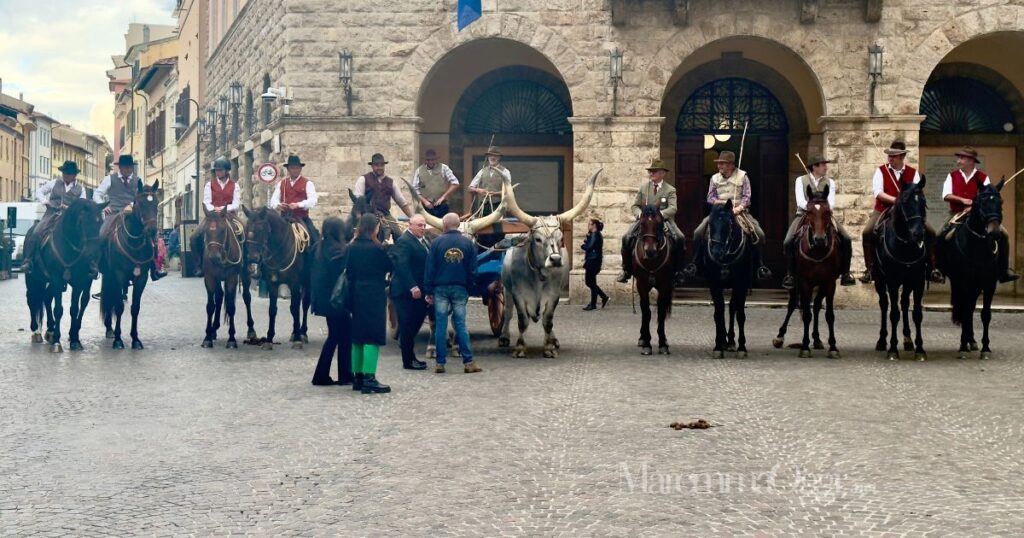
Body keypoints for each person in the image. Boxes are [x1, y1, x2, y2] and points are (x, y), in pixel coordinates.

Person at [859, 141, 942, 284]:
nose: (890, 159)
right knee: (867, 232)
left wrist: (906, 203)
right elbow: (878, 193)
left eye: (894, 156)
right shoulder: (881, 171)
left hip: (908, 212)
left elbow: (917, 192)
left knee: (931, 232)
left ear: (902, 156)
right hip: (884, 208)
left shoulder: (913, 173)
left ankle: (932, 268)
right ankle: (870, 269)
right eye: (889, 156)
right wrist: (896, 201)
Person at [685, 151, 772, 281]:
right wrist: (721, 204)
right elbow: (710, 197)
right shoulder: (714, 178)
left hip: (740, 212)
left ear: (731, 165)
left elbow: (747, 197)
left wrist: (739, 208)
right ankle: (695, 263)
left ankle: (760, 265)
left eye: (723, 164)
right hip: (719, 212)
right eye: (719, 163)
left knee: (760, 234)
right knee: (698, 232)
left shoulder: (742, 176)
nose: (719, 166)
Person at [940, 146, 1018, 283]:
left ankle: (1003, 270)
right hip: (956, 213)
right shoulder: (952, 175)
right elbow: (946, 195)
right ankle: (938, 269)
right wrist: (963, 200)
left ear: (971, 161)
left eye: (962, 158)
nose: (958, 161)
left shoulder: (983, 177)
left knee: (1004, 234)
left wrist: (974, 207)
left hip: (979, 216)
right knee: (940, 234)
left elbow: (988, 196)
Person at [781, 156, 856, 289]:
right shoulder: (801, 180)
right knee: (788, 241)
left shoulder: (830, 182)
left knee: (846, 238)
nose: (826, 167)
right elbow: (800, 201)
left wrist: (821, 209)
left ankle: (846, 273)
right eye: (823, 165)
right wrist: (812, 208)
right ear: (814, 167)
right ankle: (790, 275)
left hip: (824, 215)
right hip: (805, 214)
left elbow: (831, 203)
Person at [424, 212, 482, 374]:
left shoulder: (436, 243)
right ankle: (468, 362)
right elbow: (473, 270)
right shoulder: (468, 243)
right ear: (458, 225)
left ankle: (440, 363)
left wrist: (428, 290)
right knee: (461, 325)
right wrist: (470, 288)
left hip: (440, 289)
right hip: (460, 288)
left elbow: (430, 269)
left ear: (444, 224)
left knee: (440, 326)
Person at [94, 154, 166, 281]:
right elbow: (97, 194)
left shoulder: (138, 181)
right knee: (101, 232)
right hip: (114, 212)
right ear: (120, 167)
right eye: (126, 167)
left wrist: (132, 205)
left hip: (132, 213)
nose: (128, 169)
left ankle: (154, 268)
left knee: (151, 236)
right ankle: (97, 264)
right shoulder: (110, 179)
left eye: (130, 167)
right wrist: (104, 206)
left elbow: (142, 198)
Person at [617, 159, 688, 287]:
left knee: (680, 237)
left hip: (664, 220)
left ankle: (679, 271)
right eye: (650, 171)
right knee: (626, 237)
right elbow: (635, 205)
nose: (651, 174)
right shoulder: (644, 188)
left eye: (654, 172)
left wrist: (659, 216)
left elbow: (673, 208)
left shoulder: (670, 190)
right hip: (645, 220)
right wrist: (640, 214)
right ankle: (626, 270)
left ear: (662, 173)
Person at [346, 213, 394, 394]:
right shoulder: (377, 249)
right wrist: (388, 248)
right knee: (372, 337)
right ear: (374, 228)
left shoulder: (351, 247)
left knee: (357, 337)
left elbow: (348, 270)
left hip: (355, 294)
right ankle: (369, 377)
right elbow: (390, 267)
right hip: (373, 294)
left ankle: (357, 376)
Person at [21, 160, 88, 275]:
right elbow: (39, 192)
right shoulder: (54, 183)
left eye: (68, 173)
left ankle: (89, 264)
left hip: (71, 218)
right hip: (52, 213)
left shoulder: (81, 189)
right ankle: (29, 259)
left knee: (85, 234)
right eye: (64, 173)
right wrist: (45, 201)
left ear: (74, 175)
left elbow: (82, 204)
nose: (65, 175)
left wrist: (68, 208)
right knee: (36, 231)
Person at [311, 217, 355, 386]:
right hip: (336, 301)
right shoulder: (336, 249)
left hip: (325, 301)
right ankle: (325, 375)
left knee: (339, 335)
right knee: (338, 336)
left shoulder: (318, 247)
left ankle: (341, 374)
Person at [389, 214, 431, 370]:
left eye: (424, 225)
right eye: (419, 225)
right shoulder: (404, 241)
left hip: (419, 291)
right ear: (410, 225)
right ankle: (408, 360)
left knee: (416, 321)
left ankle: (410, 355)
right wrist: (412, 286)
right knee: (407, 324)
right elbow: (401, 265)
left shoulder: (423, 241)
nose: (422, 228)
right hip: (405, 292)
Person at [190, 157, 242, 276]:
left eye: (221, 170)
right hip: (212, 216)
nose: (218, 172)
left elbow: (236, 204)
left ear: (227, 171)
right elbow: (206, 201)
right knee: (193, 237)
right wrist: (214, 209)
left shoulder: (235, 186)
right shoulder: (210, 185)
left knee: (245, 231)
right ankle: (199, 265)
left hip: (229, 215)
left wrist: (223, 209)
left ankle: (244, 263)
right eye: (217, 170)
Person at [352, 153, 414, 241]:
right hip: (367, 214)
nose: (379, 167)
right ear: (372, 166)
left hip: (385, 214)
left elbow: (402, 202)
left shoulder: (391, 182)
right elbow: (358, 201)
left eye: (381, 165)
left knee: (398, 235)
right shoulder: (363, 179)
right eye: (377, 165)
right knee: (355, 233)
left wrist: (412, 218)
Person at [269, 154, 320, 246]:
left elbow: (313, 200)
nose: (295, 170)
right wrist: (278, 205)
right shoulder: (282, 183)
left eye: (297, 168)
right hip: (284, 218)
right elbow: (273, 200)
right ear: (288, 169)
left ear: (300, 169)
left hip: (301, 218)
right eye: (292, 168)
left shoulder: (307, 183)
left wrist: (298, 205)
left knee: (314, 238)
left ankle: (313, 257)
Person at [412, 149, 459, 218]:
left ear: (436, 159)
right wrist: (425, 201)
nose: (430, 162)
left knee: (444, 225)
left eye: (433, 159)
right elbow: (414, 189)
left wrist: (443, 197)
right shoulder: (419, 170)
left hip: (441, 205)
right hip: (425, 206)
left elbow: (455, 183)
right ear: (425, 160)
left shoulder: (444, 168)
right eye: (428, 160)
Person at [468, 142, 510, 217]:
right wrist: (478, 190)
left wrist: (496, 194)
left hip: (498, 206)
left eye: (495, 156)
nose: (492, 157)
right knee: (484, 227)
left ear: (499, 158)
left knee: (497, 227)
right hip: (484, 206)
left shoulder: (505, 172)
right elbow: (470, 188)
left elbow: (509, 191)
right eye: (490, 155)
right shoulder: (482, 171)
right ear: (487, 157)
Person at [582, 218, 609, 310]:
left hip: (593, 261)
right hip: (593, 261)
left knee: (590, 282)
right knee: (591, 283)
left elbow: (589, 247)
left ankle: (596, 302)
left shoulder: (595, 234)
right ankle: (602, 298)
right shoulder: (595, 235)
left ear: (594, 226)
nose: (588, 226)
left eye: (589, 224)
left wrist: (583, 246)